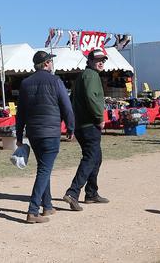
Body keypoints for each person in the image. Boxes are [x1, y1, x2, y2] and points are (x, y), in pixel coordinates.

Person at [16, 50, 75, 223]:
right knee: (44, 170)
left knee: (44, 167)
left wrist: (19, 135)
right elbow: (67, 107)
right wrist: (70, 128)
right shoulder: (55, 81)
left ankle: (47, 206)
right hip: (50, 132)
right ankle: (33, 211)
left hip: (33, 133)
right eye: (51, 61)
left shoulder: (26, 83)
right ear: (47, 63)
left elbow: (21, 113)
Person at [63, 49, 110, 211]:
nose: (101, 62)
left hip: (81, 124)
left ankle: (91, 193)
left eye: (103, 60)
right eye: (97, 60)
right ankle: (73, 192)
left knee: (96, 157)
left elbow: (71, 100)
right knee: (91, 157)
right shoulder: (91, 75)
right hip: (89, 124)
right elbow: (91, 97)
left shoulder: (83, 75)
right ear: (89, 61)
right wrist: (99, 117)